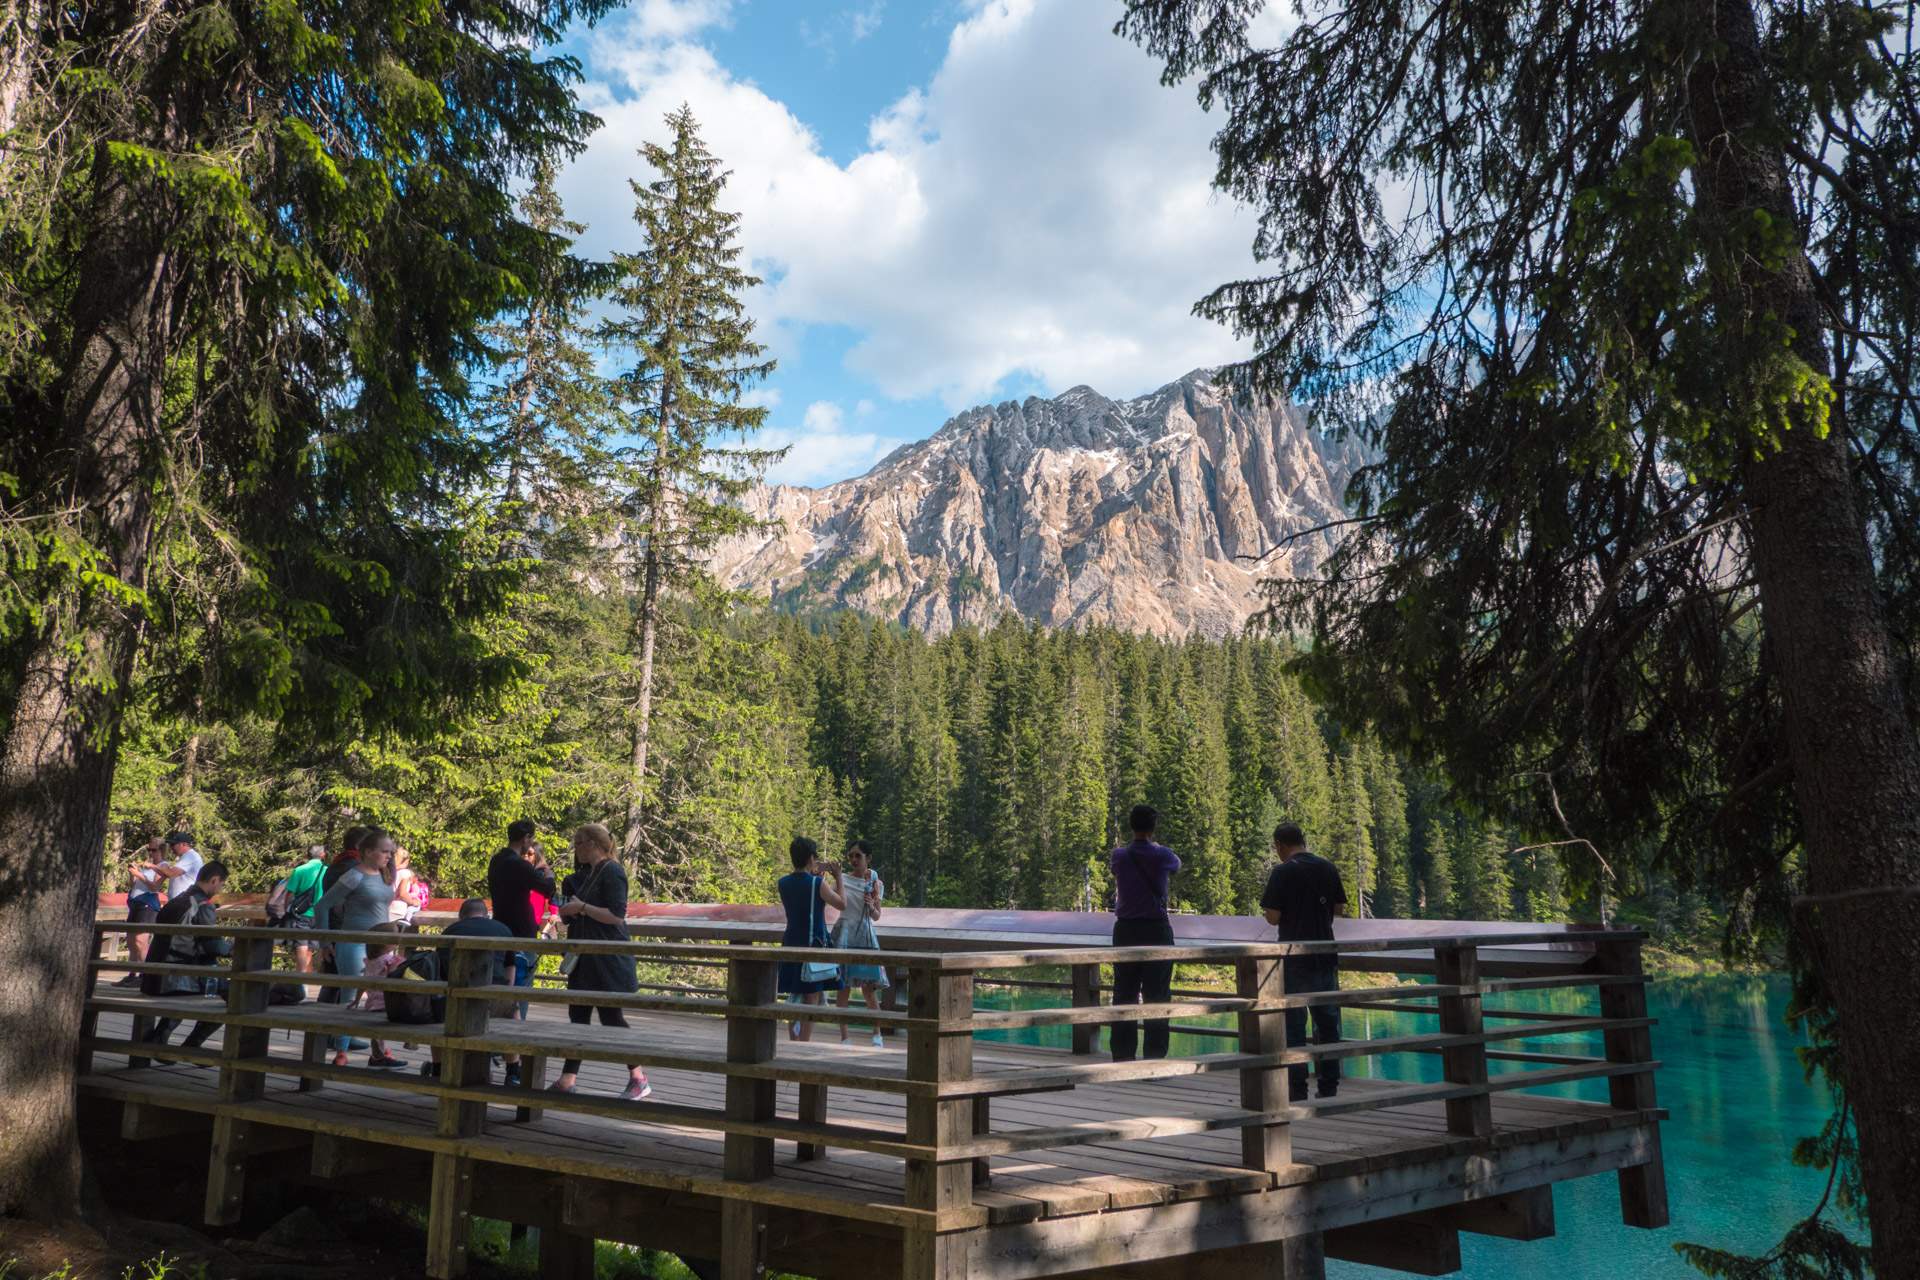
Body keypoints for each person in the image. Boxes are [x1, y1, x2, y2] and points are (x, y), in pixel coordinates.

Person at [549, 823, 651, 1101]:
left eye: (579, 842)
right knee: (578, 1016)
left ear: (593, 843)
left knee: (611, 1016)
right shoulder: (592, 872)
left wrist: (581, 907)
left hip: (607, 956)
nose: (576, 848)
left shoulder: (613, 871)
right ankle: (567, 1079)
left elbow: (617, 915)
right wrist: (570, 911)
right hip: (586, 956)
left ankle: (638, 1077)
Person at [1259, 821, 1348, 1101]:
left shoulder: (1282, 872)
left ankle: (1297, 1089)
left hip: (1293, 957)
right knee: (1328, 1023)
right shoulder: (1327, 867)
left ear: (1281, 845)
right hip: (1324, 954)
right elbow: (1339, 908)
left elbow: (1272, 916)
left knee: (1294, 1026)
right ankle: (1329, 1085)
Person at [312, 826, 405, 1069]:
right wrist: (324, 942)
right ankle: (341, 1051)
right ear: (367, 851)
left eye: (390, 852)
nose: (388, 856)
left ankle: (379, 1052)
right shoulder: (354, 875)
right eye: (384, 852)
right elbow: (323, 906)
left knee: (382, 995)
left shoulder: (386, 877)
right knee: (351, 995)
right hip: (353, 941)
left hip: (382, 944)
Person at [1108, 804, 1180, 1063]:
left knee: (1124, 992)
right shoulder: (1163, 855)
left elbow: (1115, 871)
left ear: (1131, 825)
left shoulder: (1120, 855)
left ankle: (1122, 1055)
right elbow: (1177, 866)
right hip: (1156, 929)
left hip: (1125, 929)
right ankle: (1154, 1057)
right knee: (1157, 994)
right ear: (1153, 827)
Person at [141, 861, 232, 1055]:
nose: (219, 889)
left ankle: (162, 1035)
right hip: (179, 981)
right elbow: (213, 946)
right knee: (236, 993)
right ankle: (192, 1043)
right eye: (221, 885)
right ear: (215, 880)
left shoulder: (176, 900)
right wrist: (235, 947)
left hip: (153, 977)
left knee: (211, 975)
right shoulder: (203, 905)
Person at [429, 898, 521, 1083]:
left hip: (457, 1001)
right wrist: (507, 991)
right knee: (514, 1014)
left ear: (461, 916)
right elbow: (511, 966)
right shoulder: (503, 929)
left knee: (436, 1016)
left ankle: (438, 1068)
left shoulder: (450, 931)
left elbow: (441, 970)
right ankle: (513, 1071)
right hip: (495, 996)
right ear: (487, 915)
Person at [777, 836, 847, 1041]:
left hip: (790, 942)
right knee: (811, 996)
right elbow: (841, 903)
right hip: (812, 944)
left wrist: (816, 877)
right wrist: (839, 877)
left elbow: (804, 897)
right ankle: (804, 1043)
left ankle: (793, 1039)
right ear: (810, 858)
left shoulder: (783, 883)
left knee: (794, 993)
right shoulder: (818, 883)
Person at [488, 819, 556, 1012]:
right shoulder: (518, 864)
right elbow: (548, 889)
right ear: (526, 838)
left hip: (500, 926)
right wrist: (546, 870)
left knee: (502, 978)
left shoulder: (497, 860)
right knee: (522, 981)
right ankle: (518, 1021)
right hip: (521, 930)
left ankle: (499, 1019)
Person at [831, 840, 888, 1048]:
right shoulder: (842, 880)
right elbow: (832, 900)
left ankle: (877, 1034)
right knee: (843, 987)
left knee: (869, 989)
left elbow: (876, 917)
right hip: (845, 933)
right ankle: (844, 1037)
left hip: (864, 934)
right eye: (851, 856)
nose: (853, 860)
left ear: (868, 858)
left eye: (858, 856)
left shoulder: (875, 882)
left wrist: (871, 905)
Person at [116, 837, 168, 986]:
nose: (151, 853)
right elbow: (133, 884)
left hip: (148, 904)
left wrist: (140, 874)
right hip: (135, 903)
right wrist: (133, 873)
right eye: (149, 849)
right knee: (131, 941)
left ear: (161, 850)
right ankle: (132, 974)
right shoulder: (146, 866)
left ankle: (144, 975)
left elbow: (155, 887)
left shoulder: (162, 866)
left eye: (154, 850)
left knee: (141, 941)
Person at [281, 845, 329, 974]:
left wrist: (286, 910)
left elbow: (289, 894)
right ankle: (306, 978)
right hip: (319, 914)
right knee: (310, 948)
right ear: (323, 855)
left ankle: (301, 977)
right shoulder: (327, 871)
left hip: (301, 913)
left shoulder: (300, 870)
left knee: (301, 945)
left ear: (308, 855)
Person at [150, 831, 205, 902]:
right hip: (179, 901)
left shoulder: (191, 856)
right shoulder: (185, 857)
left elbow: (171, 873)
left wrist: (152, 866)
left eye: (173, 844)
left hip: (184, 901)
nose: (171, 847)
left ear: (184, 844)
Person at [388, 848, 427, 924]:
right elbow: (402, 894)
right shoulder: (405, 873)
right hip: (398, 911)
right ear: (406, 861)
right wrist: (413, 902)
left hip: (386, 908)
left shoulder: (386, 872)